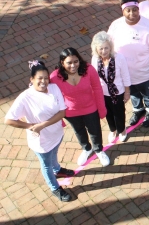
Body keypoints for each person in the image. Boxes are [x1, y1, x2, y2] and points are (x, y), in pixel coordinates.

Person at [5, 61, 72, 202]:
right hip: (41, 141)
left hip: (56, 133)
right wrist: (30, 126)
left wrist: (42, 125)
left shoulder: (54, 88)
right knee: (46, 164)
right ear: (32, 79)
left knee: (54, 153)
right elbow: (9, 120)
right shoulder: (25, 98)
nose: (44, 81)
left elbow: (62, 112)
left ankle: (57, 169)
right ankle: (54, 187)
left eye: (46, 78)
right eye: (39, 78)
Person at [107, 0, 149, 128]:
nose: (132, 13)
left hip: (145, 73)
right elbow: (109, 45)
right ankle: (138, 110)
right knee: (132, 93)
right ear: (123, 11)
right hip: (125, 73)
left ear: (139, 10)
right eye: (128, 10)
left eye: (135, 10)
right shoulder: (116, 25)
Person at [50, 48, 110, 167]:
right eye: (69, 63)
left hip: (90, 109)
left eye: (76, 61)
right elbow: (53, 99)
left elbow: (97, 89)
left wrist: (102, 109)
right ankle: (86, 148)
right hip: (70, 112)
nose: (73, 65)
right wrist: (60, 118)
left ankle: (98, 150)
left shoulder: (88, 69)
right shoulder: (55, 77)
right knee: (79, 131)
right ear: (62, 63)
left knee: (95, 131)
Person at [91, 32, 130, 143]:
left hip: (117, 92)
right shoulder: (95, 59)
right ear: (96, 49)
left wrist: (127, 92)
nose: (104, 51)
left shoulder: (119, 58)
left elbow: (125, 76)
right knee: (107, 112)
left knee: (119, 112)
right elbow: (94, 78)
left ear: (111, 47)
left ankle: (122, 130)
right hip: (102, 92)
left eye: (106, 48)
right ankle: (113, 130)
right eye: (101, 48)